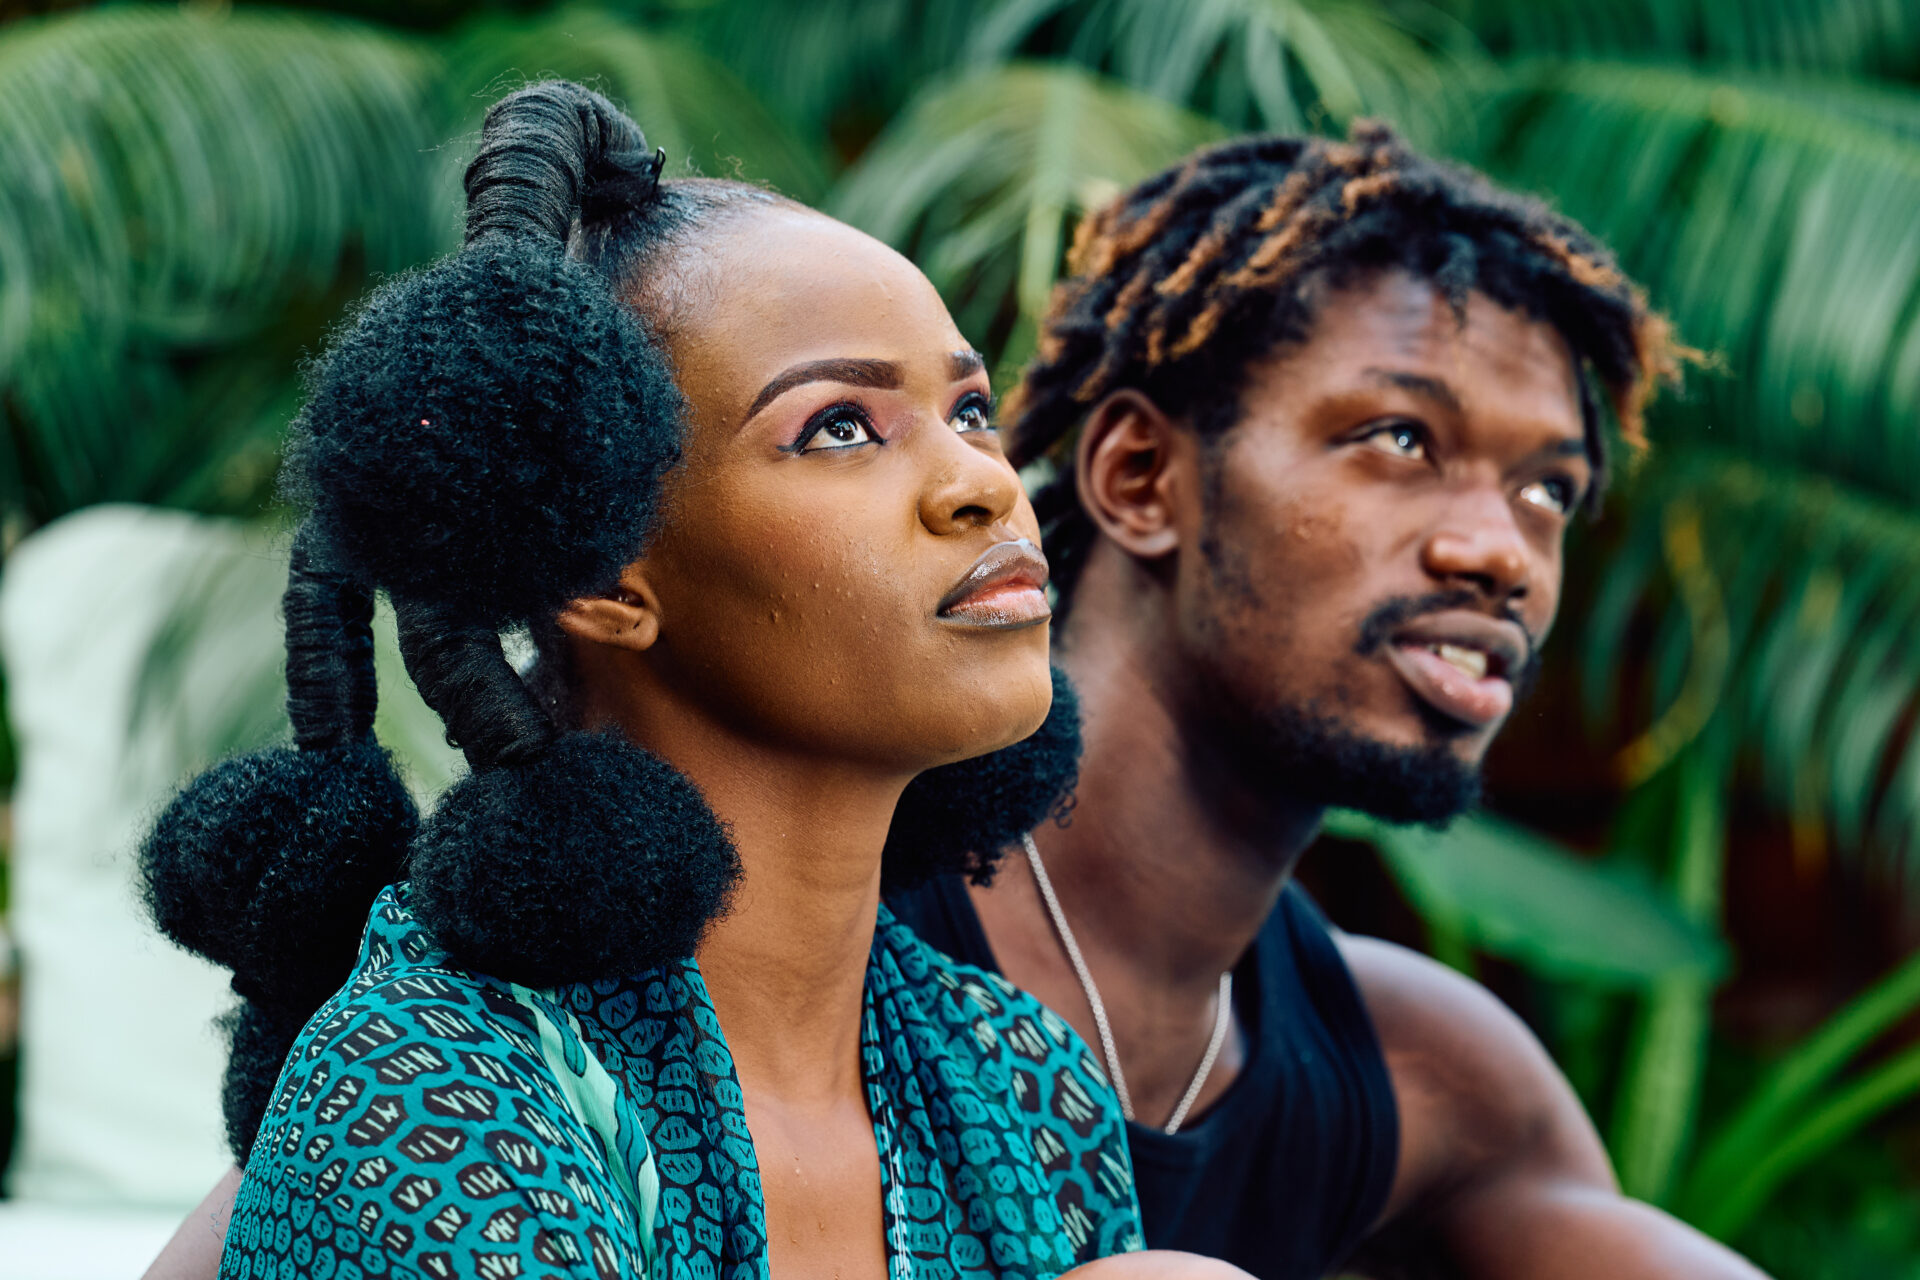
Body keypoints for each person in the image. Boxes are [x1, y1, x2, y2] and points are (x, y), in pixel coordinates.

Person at [138, 81, 1180, 1280]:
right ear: (605, 577)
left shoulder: (1022, 1085)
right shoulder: (434, 1102)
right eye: (841, 424)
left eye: (971, 408)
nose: (984, 483)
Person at [887, 127, 1771, 1278]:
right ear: (1142, 479)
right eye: (1401, 438)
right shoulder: (816, 911)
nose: (1502, 555)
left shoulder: (1425, 1075)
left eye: (1549, 487)